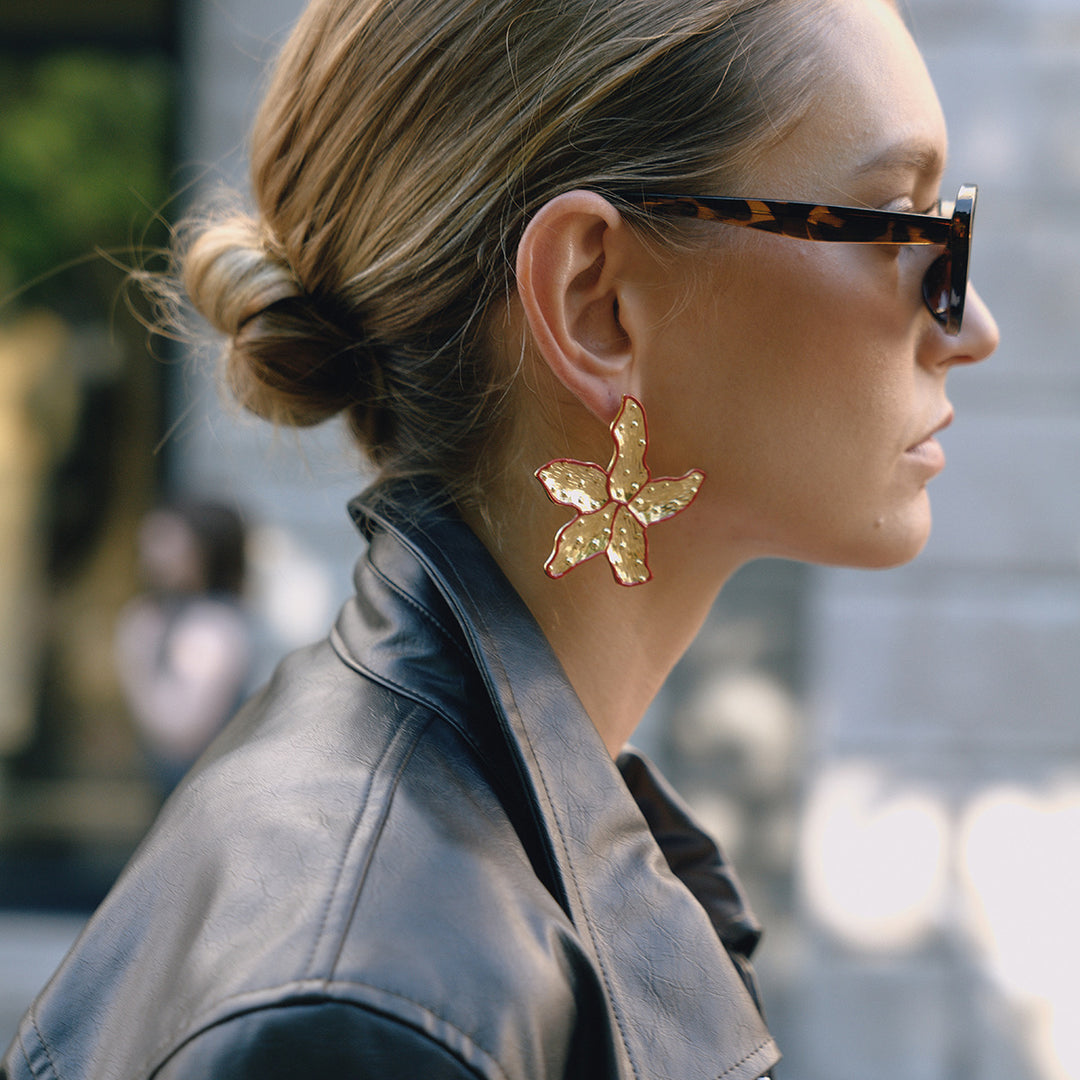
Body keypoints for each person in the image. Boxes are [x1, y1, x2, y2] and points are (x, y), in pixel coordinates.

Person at [2, 0, 998, 1076]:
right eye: (906, 224)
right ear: (595, 303)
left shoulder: (460, 879)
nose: (971, 327)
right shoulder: (378, 1008)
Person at [114, 500, 253, 797]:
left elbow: (180, 732)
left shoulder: (212, 627)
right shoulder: (170, 615)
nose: (153, 555)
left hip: (202, 793)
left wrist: (134, 649)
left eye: (166, 543)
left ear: (206, 551)